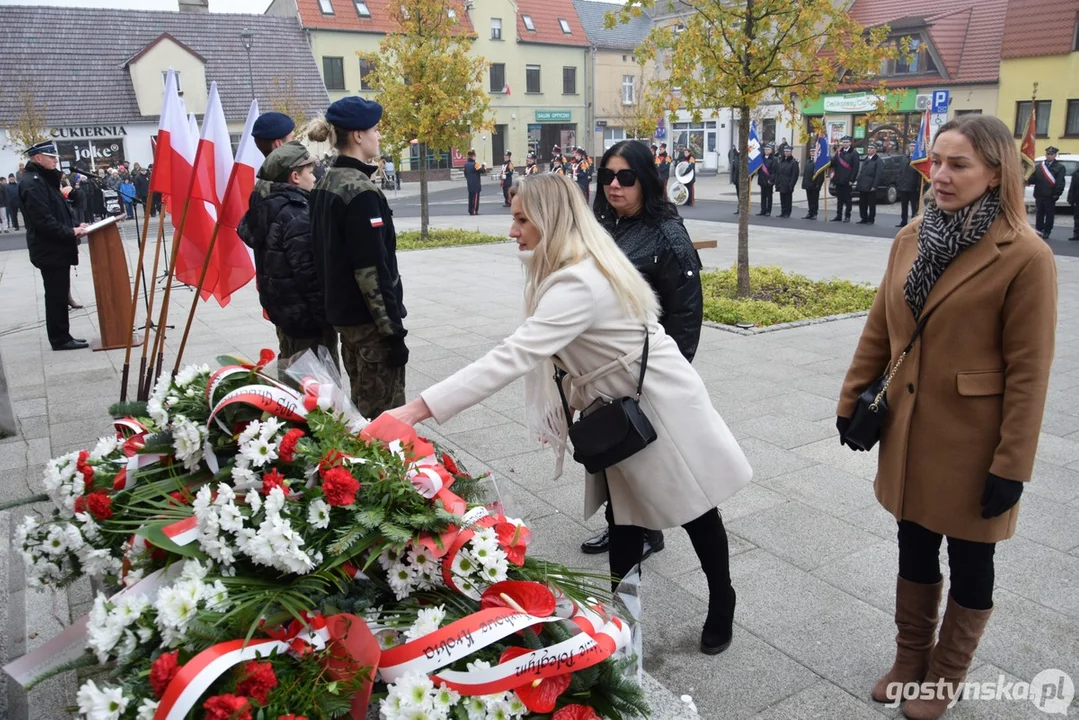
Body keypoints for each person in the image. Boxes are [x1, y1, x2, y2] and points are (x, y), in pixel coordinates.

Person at [383, 173, 752, 656]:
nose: (512, 231)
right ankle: (623, 619)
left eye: (521, 219)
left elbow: (510, 356)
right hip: (619, 400)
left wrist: (415, 409)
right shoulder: (572, 260)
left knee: (696, 508)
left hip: (655, 402)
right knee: (625, 513)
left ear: (550, 219)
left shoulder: (577, 279)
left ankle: (722, 600)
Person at [837, 114, 1056, 720]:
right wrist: (851, 398)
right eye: (937, 161)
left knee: (971, 557)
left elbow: (1029, 372)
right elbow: (880, 327)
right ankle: (911, 659)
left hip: (974, 441)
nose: (942, 175)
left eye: (959, 164)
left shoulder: (1026, 255)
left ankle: (947, 674)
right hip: (909, 429)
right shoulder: (911, 236)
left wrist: (1012, 464)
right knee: (913, 542)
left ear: (995, 172)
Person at [582, 138, 707, 562]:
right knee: (617, 454)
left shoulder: (667, 233)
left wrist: (664, 377)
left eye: (626, 177)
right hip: (607, 368)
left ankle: (657, 530)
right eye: (607, 176)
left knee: (654, 459)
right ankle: (634, 530)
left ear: (645, 180)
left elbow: (687, 313)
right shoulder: (604, 224)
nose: (614, 186)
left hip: (647, 371)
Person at [308, 96, 408, 419]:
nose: (379, 136)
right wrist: (393, 332)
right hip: (370, 327)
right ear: (358, 136)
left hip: (346, 322)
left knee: (361, 407)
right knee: (384, 419)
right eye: (375, 130)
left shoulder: (325, 183)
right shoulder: (360, 192)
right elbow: (371, 272)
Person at [239, 141, 339, 381]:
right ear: (295, 176)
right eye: (309, 171)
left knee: (294, 385)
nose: (314, 176)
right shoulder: (297, 214)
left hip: (286, 317)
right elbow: (309, 275)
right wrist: (328, 317)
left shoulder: (267, 208)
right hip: (308, 323)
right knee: (321, 393)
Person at [19, 141, 89, 351]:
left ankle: (63, 335)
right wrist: (69, 232)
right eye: (51, 157)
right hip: (49, 248)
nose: (55, 161)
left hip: (56, 247)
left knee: (59, 292)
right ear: (37, 158)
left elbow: (57, 212)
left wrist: (75, 226)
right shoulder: (33, 183)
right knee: (56, 294)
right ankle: (60, 338)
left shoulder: (43, 180)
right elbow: (43, 221)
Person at [1030, 146, 1066, 240]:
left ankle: (1047, 231)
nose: (1049, 156)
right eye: (1047, 154)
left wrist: (1057, 193)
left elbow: (1060, 181)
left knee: (1049, 215)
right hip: (1039, 194)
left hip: (1050, 195)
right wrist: (1027, 178)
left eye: (1051, 154)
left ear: (1055, 155)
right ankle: (1039, 230)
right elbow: (1034, 179)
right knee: (1039, 214)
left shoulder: (1060, 167)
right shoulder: (1039, 167)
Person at [831, 135, 859, 222]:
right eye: (844, 142)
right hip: (839, 179)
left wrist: (852, 180)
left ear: (850, 143)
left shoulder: (854, 153)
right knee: (839, 199)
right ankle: (838, 215)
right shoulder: (839, 152)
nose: (845, 144)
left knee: (847, 200)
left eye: (847, 142)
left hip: (847, 180)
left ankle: (847, 215)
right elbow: (834, 163)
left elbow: (855, 168)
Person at [897, 141, 923, 228]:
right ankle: (903, 220)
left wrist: (918, 186)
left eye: (913, 146)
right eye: (910, 146)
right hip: (903, 186)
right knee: (904, 205)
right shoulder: (904, 158)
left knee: (914, 207)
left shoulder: (918, 159)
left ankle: (913, 222)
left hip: (913, 187)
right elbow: (900, 172)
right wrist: (899, 183)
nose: (912, 148)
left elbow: (920, 175)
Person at [856, 143, 882, 225]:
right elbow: (862, 172)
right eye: (869, 148)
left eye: (871, 148)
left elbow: (878, 174)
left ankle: (871, 218)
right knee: (862, 203)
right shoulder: (866, 159)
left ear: (875, 150)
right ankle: (863, 217)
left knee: (871, 203)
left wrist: (875, 185)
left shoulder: (878, 160)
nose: (869, 149)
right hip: (863, 185)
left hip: (871, 185)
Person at [775, 145, 799, 218]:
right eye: (785, 151)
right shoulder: (781, 161)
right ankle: (783, 211)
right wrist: (777, 182)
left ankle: (787, 212)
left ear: (791, 152)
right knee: (782, 198)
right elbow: (778, 173)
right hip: (781, 183)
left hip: (788, 183)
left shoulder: (793, 162)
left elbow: (794, 175)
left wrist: (791, 184)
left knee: (788, 199)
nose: (786, 153)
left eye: (788, 151)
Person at [801, 146, 825, 220]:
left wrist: (818, 184)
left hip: (815, 184)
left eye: (814, 151)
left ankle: (814, 213)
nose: (812, 152)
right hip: (808, 183)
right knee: (809, 199)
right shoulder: (808, 161)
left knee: (815, 200)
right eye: (811, 151)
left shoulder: (819, 161)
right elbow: (806, 173)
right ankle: (810, 212)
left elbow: (821, 175)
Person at [463, 149, 487, 215]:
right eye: (474, 156)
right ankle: (474, 211)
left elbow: (465, 174)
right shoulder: (475, 164)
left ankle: (470, 210)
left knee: (470, 198)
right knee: (475, 198)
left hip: (469, 183)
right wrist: (484, 165)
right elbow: (483, 171)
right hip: (476, 184)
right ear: (473, 156)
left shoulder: (466, 165)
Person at [756, 144, 777, 216]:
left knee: (769, 197)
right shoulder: (761, 159)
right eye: (765, 149)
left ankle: (768, 210)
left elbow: (774, 171)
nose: (766, 151)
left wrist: (771, 179)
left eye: (768, 149)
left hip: (769, 180)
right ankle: (763, 210)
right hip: (762, 180)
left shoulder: (774, 159)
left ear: (771, 150)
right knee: (763, 196)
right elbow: (758, 169)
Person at [728, 146, 740, 211]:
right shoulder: (734, 154)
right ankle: (739, 208)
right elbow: (733, 167)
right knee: (738, 193)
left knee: (742, 194)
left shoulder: (744, 155)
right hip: (736, 178)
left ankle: (742, 208)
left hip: (743, 179)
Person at [1069, 165, 1079, 242]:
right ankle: (1076, 234)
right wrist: (1070, 198)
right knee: (1077, 218)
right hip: (1077, 199)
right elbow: (1072, 187)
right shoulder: (1076, 173)